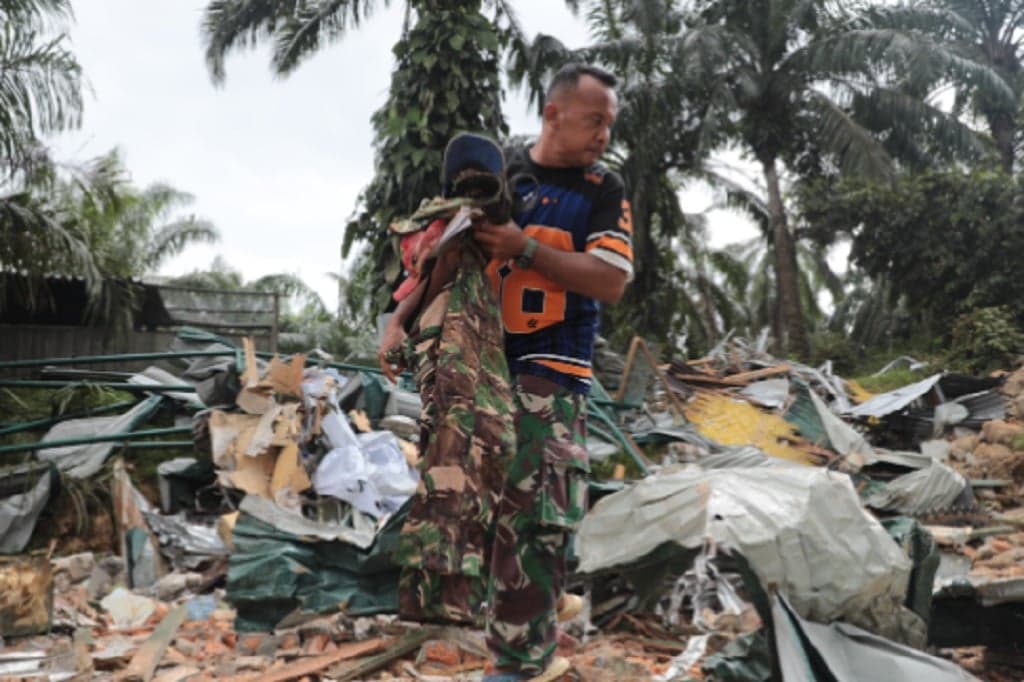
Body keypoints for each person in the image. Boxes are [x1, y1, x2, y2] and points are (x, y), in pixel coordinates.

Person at [474, 63, 632, 681]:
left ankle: (516, 665)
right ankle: (530, 626)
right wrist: (398, 318)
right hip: (484, 365)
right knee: (488, 514)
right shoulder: (500, 171)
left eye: (609, 124)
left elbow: (611, 279)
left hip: (554, 368)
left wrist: (528, 249)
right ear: (553, 115)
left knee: (538, 515)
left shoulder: (601, 188)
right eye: (594, 121)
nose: (603, 135)